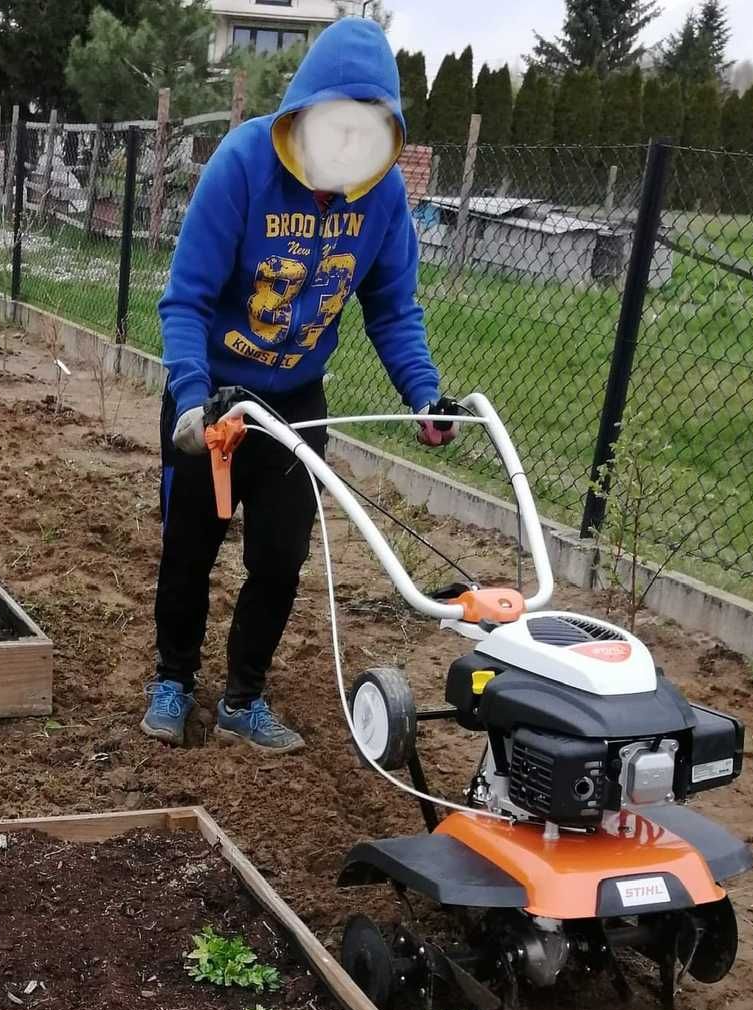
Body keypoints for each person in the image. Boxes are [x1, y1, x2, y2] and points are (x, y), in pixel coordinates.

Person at [142, 16, 458, 754]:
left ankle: (242, 697)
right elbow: (185, 297)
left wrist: (423, 392)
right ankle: (173, 681)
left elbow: (391, 304)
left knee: (280, 558)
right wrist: (190, 400)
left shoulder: (380, 201)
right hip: (215, 396)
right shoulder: (244, 164)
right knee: (189, 547)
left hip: (296, 405)